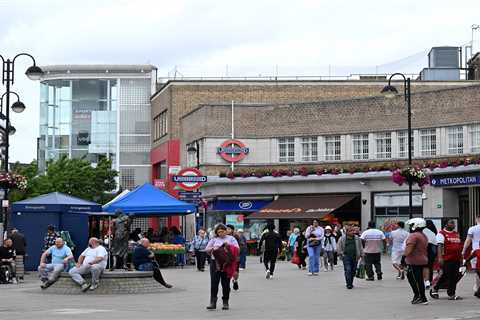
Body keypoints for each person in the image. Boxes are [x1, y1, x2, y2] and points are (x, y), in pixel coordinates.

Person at [205, 224, 239, 310]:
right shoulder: (213, 239)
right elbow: (207, 249)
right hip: (215, 263)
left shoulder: (231, 238)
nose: (221, 233)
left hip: (226, 264)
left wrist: (228, 246)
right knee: (214, 283)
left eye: (222, 231)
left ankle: (225, 302)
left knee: (225, 284)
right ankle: (213, 302)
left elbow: (237, 249)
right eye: (219, 232)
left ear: (226, 231)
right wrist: (213, 248)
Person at [430, 219, 463, 300]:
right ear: (446, 224)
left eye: (454, 223)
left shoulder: (456, 234)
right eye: (451, 223)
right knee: (449, 276)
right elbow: (440, 246)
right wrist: (440, 257)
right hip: (447, 259)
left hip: (456, 258)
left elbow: (459, 246)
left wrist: (462, 258)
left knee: (451, 276)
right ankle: (449, 293)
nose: (453, 225)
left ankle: (438, 289)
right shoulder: (441, 234)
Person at [404, 218, 429, 305]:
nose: (410, 227)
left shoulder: (413, 236)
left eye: (411, 225)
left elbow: (409, 248)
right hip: (422, 260)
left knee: (414, 280)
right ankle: (420, 297)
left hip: (414, 261)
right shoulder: (423, 235)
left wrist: (403, 257)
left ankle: (420, 297)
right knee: (419, 279)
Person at [462, 214, 480, 297]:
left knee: (477, 271)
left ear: (477, 218)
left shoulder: (472, 229)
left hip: (475, 251)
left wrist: (463, 251)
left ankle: (477, 287)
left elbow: (468, 240)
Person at [423, 219, 438, 289]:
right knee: (430, 266)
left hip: (425, 250)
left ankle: (426, 280)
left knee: (425, 266)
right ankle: (430, 280)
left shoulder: (424, 231)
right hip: (432, 250)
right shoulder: (434, 231)